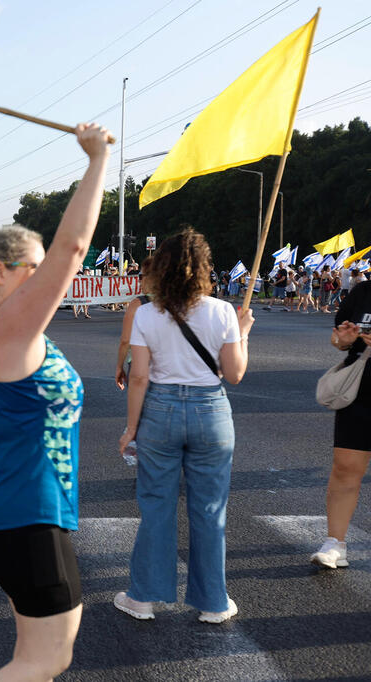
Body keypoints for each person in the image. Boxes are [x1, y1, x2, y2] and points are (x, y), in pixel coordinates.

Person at [0, 123, 109, 680]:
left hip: (23, 511)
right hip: (22, 516)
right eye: (34, 269)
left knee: (32, 657)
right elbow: (74, 248)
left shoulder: (17, 332)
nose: (50, 278)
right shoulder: (7, 329)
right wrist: (96, 161)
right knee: (47, 658)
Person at [114, 227, 253, 625]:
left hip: (160, 409)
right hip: (211, 411)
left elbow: (138, 377)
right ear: (205, 268)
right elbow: (235, 373)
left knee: (156, 505)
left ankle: (142, 598)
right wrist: (242, 335)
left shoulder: (145, 313)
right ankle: (213, 601)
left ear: (163, 268)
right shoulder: (223, 311)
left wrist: (130, 428)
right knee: (209, 510)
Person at [318, 280, 371, 569]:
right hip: (360, 391)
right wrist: (346, 340)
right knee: (345, 468)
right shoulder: (362, 292)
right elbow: (338, 340)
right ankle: (334, 543)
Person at [115, 257, 151, 390]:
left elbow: (125, 340)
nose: (139, 280)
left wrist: (119, 366)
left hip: (139, 365)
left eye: (141, 276)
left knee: (140, 409)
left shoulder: (137, 304)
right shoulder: (174, 303)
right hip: (167, 368)